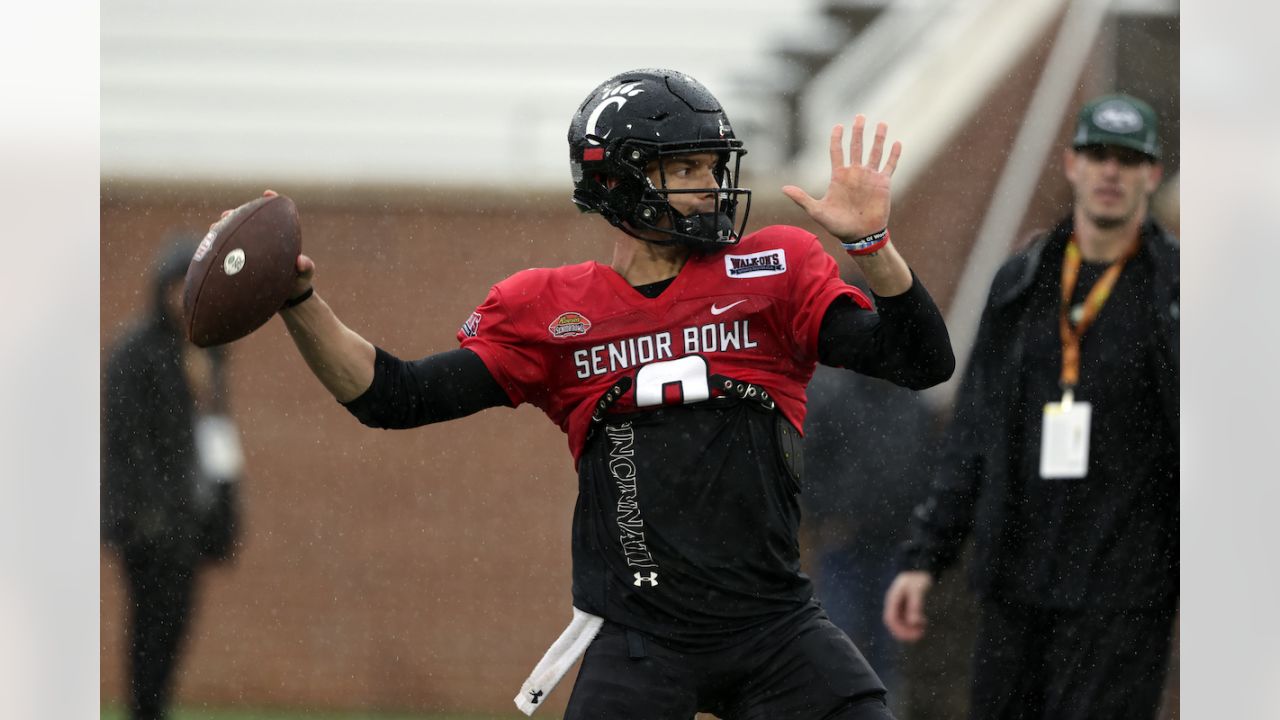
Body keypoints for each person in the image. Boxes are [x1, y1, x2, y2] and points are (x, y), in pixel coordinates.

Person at [264, 68, 953, 719]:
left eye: (713, 167)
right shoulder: (550, 310)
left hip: (773, 627)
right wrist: (299, 301)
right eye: (685, 169)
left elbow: (921, 360)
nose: (710, 187)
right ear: (617, 180)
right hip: (640, 641)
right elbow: (395, 396)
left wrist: (874, 246)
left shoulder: (771, 273)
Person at [883, 92, 1178, 719]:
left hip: (1124, 594)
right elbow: (974, 427)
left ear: (1151, 174)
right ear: (1071, 164)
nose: (1110, 173)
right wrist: (924, 556)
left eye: (1128, 160)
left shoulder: (1176, 292)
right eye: (1098, 155)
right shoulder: (1023, 281)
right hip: (1018, 583)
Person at [102, 239, 245, 720]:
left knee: (176, 629)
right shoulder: (135, 354)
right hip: (151, 528)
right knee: (151, 629)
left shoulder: (209, 353)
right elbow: (124, 443)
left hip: (192, 523)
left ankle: (153, 708)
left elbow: (218, 439)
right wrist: (145, 517)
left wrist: (224, 513)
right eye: (176, 285)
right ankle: (146, 710)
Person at [801, 362, 936, 707]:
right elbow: (807, 464)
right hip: (844, 548)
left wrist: (917, 528)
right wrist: (828, 516)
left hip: (895, 548)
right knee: (837, 644)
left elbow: (927, 468)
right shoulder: (835, 398)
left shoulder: (912, 403)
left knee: (887, 650)